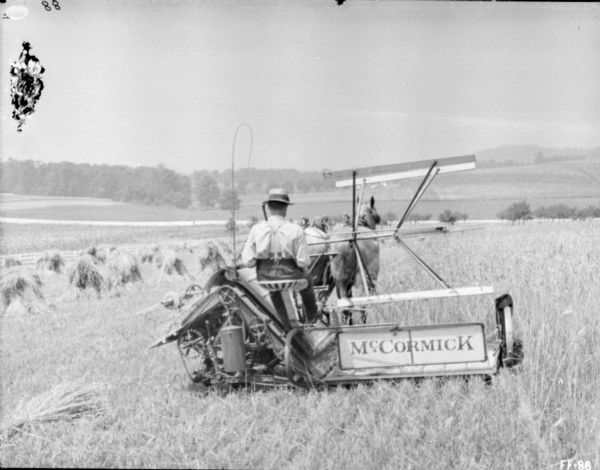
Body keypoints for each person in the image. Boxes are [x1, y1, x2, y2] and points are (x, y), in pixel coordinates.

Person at [242, 188, 319, 323]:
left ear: (269, 208)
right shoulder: (296, 229)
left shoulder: (256, 229)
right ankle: (312, 317)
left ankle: (286, 324)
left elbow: (248, 262)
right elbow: (303, 262)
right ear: (285, 209)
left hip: (265, 279)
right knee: (307, 279)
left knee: (274, 290)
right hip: (292, 277)